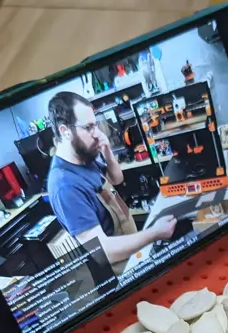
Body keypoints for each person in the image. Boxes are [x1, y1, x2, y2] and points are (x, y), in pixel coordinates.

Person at [46, 91, 176, 267]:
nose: (96, 133)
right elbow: (103, 252)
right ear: (65, 131)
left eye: (96, 125)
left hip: (132, 247)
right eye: (89, 127)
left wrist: (106, 149)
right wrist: (155, 233)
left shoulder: (84, 155)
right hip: (120, 266)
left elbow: (116, 179)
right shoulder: (65, 187)